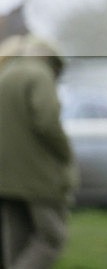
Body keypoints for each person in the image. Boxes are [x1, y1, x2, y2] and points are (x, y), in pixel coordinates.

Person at [0, 34, 77, 269]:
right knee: (51, 238)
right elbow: (47, 122)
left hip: (6, 177)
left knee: (16, 244)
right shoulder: (39, 74)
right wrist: (66, 154)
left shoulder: (6, 74)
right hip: (37, 176)